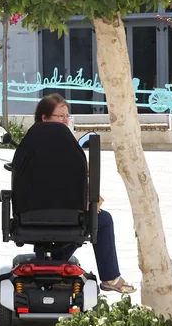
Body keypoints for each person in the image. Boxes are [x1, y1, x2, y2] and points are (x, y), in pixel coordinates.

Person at [34, 93, 136, 294]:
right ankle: (109, 277)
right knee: (102, 220)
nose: (65, 120)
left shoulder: (29, 144)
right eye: (60, 116)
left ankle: (53, 260)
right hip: (64, 212)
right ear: (45, 118)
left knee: (85, 220)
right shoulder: (63, 145)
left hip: (30, 214)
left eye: (67, 116)